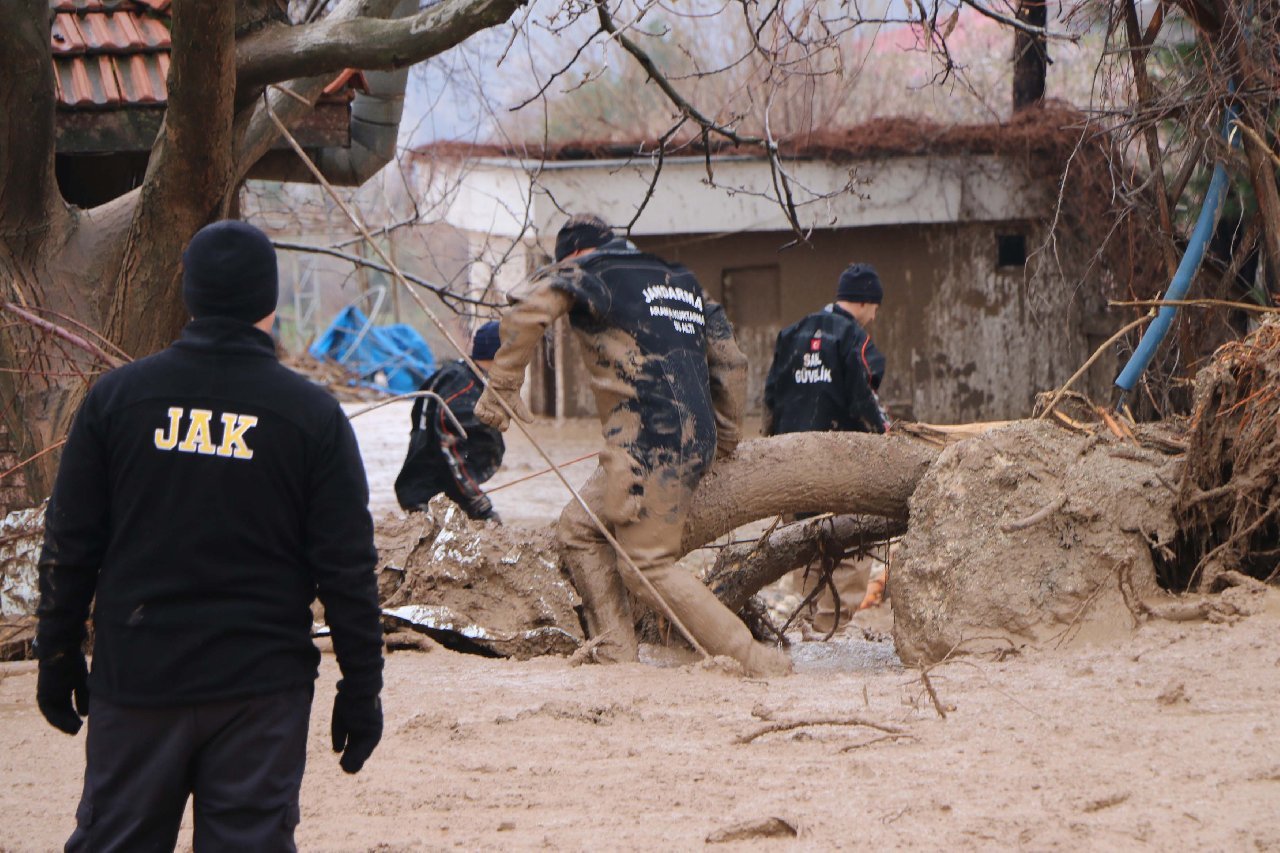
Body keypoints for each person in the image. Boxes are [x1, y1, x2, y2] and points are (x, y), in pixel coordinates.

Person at [35, 220, 385, 851]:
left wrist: (56, 651)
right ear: (269, 303)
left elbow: (70, 543)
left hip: (141, 680)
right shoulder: (312, 419)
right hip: (261, 694)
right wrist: (362, 686)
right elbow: (348, 570)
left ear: (187, 294)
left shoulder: (118, 401)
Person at [473, 213, 791, 677]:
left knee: (646, 565)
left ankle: (756, 662)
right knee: (579, 528)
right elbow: (732, 362)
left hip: (646, 446)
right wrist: (723, 437)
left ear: (574, 254)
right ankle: (616, 656)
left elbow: (526, 308)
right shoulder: (681, 281)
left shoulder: (590, 271)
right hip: (690, 437)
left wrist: (502, 381)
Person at [763, 263, 891, 633]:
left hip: (791, 461)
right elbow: (863, 399)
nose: (874, 315)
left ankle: (801, 624)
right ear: (868, 302)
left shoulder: (792, 333)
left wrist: (772, 453)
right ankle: (828, 629)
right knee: (853, 546)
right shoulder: (854, 338)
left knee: (807, 545)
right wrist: (886, 435)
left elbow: (771, 397)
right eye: (875, 307)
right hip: (839, 463)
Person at [394, 320, 505, 522]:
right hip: (431, 496)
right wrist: (477, 501)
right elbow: (450, 446)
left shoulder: (458, 375)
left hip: (429, 490)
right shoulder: (464, 388)